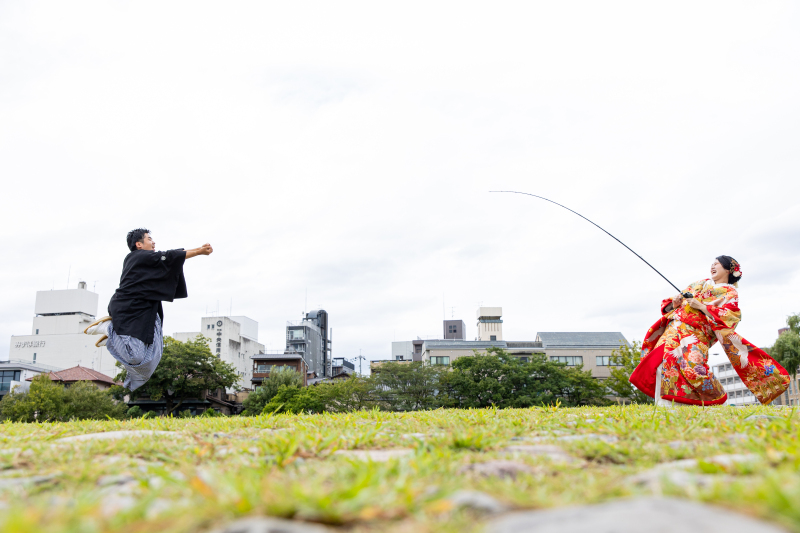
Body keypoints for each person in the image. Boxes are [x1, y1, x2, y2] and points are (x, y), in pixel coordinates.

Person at [629, 256, 790, 406]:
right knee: (661, 364)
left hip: (696, 334)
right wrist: (675, 303)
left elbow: (730, 316)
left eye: (717, 264)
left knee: (694, 370)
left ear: (728, 270)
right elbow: (672, 302)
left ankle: (718, 400)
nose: (712, 266)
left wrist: (701, 306)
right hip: (675, 327)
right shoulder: (700, 283)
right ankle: (664, 406)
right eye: (712, 264)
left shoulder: (730, 292)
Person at [83, 228, 213, 391]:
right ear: (139, 244)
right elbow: (171, 256)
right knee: (135, 356)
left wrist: (198, 250)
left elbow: (170, 259)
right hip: (128, 308)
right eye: (149, 239)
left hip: (147, 308)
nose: (154, 242)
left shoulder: (148, 260)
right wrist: (200, 251)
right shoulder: (136, 257)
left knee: (154, 354)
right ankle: (109, 329)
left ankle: (114, 341)